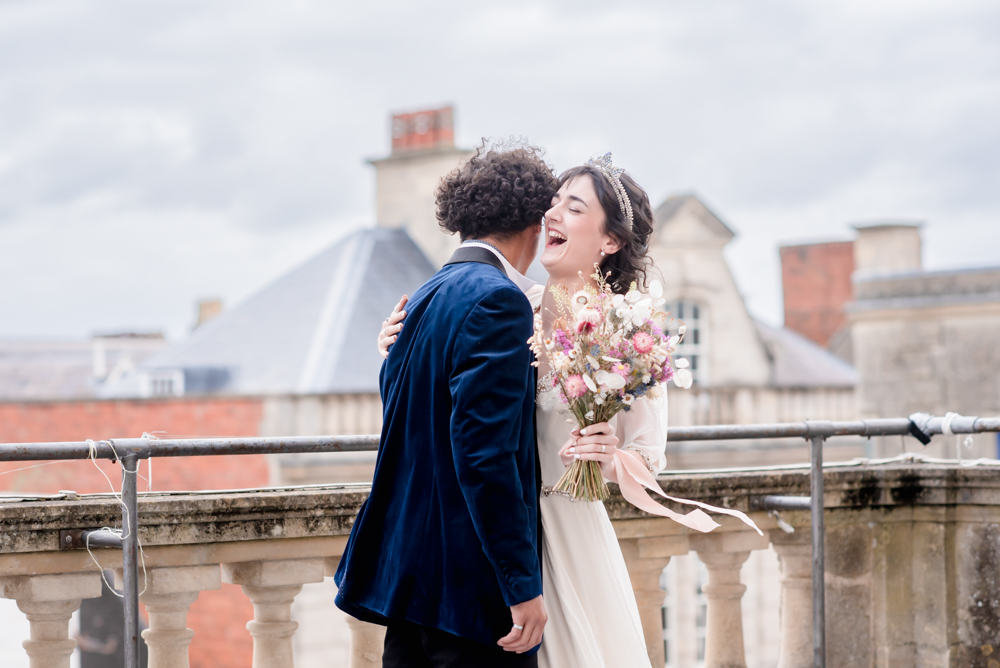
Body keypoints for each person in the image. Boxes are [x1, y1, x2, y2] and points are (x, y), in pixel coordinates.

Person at [379, 153, 729, 667]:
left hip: (569, 532)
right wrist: (397, 346)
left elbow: (648, 462)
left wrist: (606, 456)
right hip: (504, 533)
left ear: (610, 241)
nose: (552, 215)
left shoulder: (630, 329)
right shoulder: (511, 304)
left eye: (574, 206)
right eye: (554, 201)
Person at [335, 142, 559, 667]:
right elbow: (484, 454)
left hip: (410, 587)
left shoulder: (422, 297)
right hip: (467, 594)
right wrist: (520, 584)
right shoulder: (499, 301)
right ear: (534, 224)